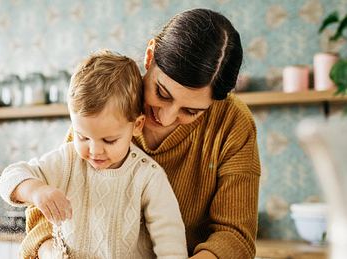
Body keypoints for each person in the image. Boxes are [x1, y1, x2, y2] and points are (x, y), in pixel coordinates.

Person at [23, 8, 261, 259]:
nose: (166, 117)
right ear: (149, 57)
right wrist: (52, 252)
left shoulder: (233, 122)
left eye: (191, 111)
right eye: (162, 93)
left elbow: (235, 235)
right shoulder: (109, 103)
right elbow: (44, 216)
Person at [0, 50, 189, 259]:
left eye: (109, 140)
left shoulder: (147, 176)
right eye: (83, 137)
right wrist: (35, 191)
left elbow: (171, 244)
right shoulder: (68, 160)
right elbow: (10, 177)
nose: (95, 150)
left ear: (137, 125)